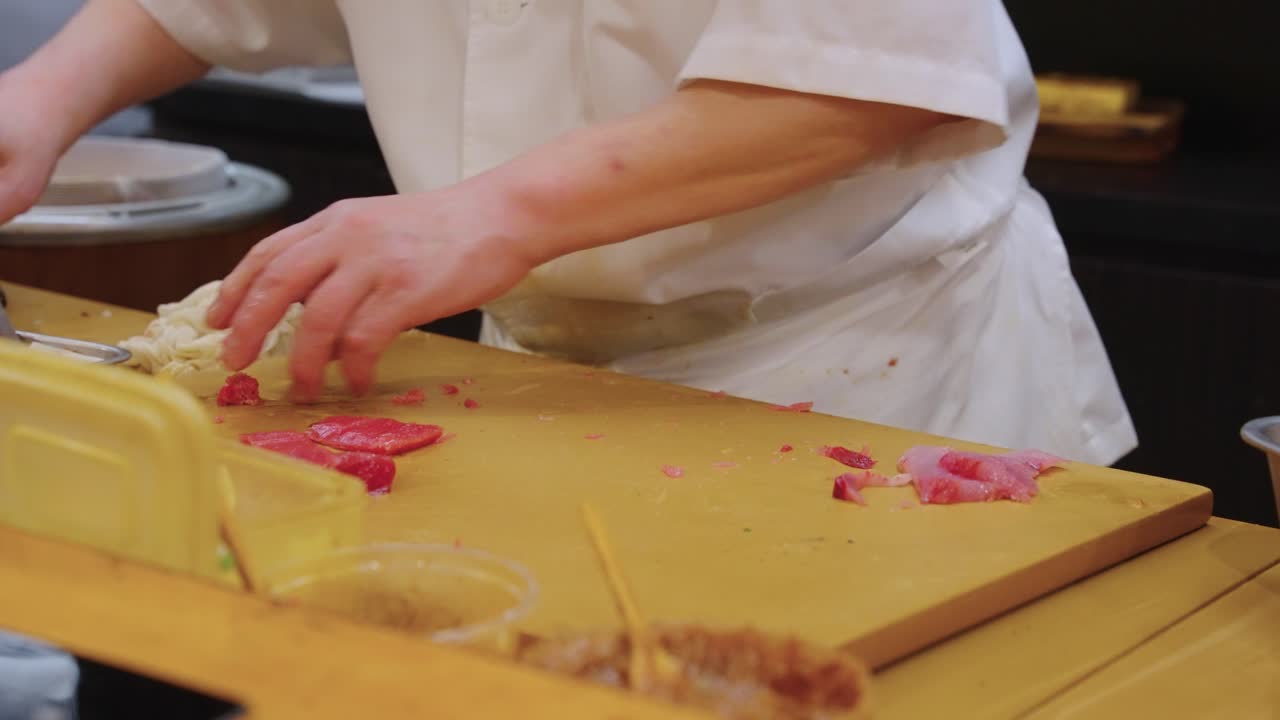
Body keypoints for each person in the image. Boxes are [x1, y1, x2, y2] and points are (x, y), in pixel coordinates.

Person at [0, 0, 1137, 464]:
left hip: (872, 373)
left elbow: (875, 75)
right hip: (551, 371)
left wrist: (490, 212)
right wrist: (37, 99)